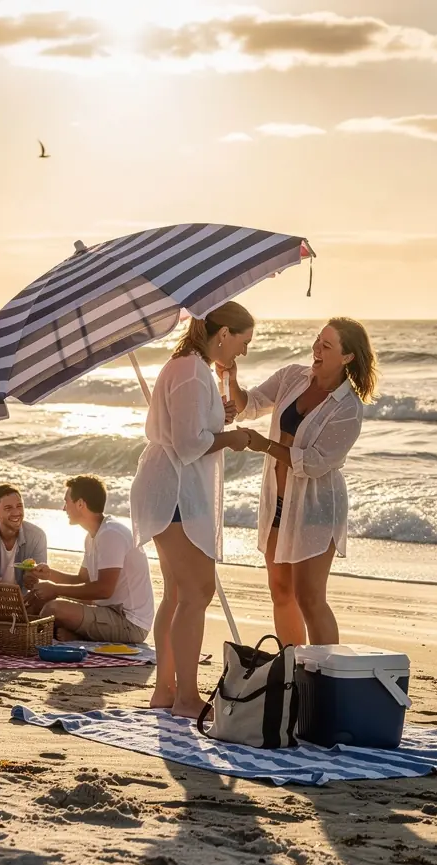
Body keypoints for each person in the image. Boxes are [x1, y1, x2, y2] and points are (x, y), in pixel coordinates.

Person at [131, 303, 253, 718]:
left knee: (178, 593)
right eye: (243, 341)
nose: (243, 351)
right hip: (176, 492)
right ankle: (184, 696)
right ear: (224, 333)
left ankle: (166, 691)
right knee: (197, 592)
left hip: (171, 487)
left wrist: (221, 417)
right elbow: (188, 444)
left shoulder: (192, 368)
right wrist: (232, 438)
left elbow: (191, 427)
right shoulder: (190, 371)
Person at [230, 318, 377, 647]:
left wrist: (264, 445)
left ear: (347, 357)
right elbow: (249, 405)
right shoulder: (292, 376)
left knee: (309, 598)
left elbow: (313, 463)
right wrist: (231, 378)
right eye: (317, 340)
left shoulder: (348, 408)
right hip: (277, 503)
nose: (316, 349)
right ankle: (292, 667)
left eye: (327, 346)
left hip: (315, 509)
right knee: (280, 591)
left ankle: (326, 672)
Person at [28, 475, 155, 646]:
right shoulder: (93, 536)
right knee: (39, 600)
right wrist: (49, 575)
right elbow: (82, 580)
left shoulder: (111, 534)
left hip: (130, 623)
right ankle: (73, 635)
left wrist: (55, 589)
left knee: (53, 609)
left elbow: (104, 590)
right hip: (108, 611)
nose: (64, 508)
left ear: (80, 504)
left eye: (67, 502)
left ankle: (69, 638)